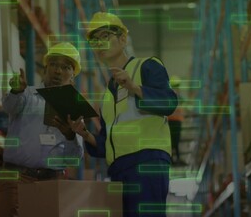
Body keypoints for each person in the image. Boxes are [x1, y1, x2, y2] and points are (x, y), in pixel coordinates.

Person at [67, 12, 178, 217]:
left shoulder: (147, 66)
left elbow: (169, 102)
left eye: (105, 36)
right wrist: (85, 134)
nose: (100, 44)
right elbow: (106, 143)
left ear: (123, 39)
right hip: (119, 169)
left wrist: (135, 88)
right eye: (95, 41)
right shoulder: (107, 95)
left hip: (147, 162)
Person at [0, 42, 84, 217]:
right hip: (17, 178)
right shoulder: (26, 94)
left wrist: (70, 136)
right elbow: (9, 107)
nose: (58, 71)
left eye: (66, 67)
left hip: (52, 182)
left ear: (73, 76)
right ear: (45, 68)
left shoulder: (74, 109)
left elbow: (74, 158)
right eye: (53, 65)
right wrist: (15, 91)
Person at [168, 76, 186, 166]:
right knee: (173, 141)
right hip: (172, 121)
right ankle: (173, 159)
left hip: (176, 120)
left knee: (175, 141)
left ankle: (175, 159)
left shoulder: (176, 95)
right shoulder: (171, 94)